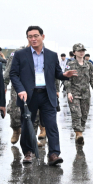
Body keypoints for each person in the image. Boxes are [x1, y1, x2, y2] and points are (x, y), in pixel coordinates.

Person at [9, 26, 77, 165]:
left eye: (36, 36)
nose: (33, 39)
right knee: (27, 125)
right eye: (30, 36)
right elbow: (13, 74)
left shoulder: (52, 55)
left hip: (47, 95)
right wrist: (20, 89)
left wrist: (64, 75)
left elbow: (57, 73)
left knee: (51, 125)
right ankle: (28, 153)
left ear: (42, 36)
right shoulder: (20, 54)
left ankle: (54, 154)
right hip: (28, 96)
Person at [3, 46, 41, 145]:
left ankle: (32, 138)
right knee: (15, 112)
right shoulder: (17, 53)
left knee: (34, 115)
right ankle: (16, 130)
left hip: (34, 89)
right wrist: (4, 85)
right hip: (18, 89)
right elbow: (8, 71)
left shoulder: (41, 53)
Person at [64, 43, 93, 144]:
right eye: (79, 51)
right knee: (76, 113)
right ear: (74, 52)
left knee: (84, 114)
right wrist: (68, 92)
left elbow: (92, 78)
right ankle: (78, 133)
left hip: (86, 93)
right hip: (74, 93)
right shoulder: (70, 65)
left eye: (83, 50)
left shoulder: (89, 65)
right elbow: (66, 79)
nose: (81, 52)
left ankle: (80, 131)